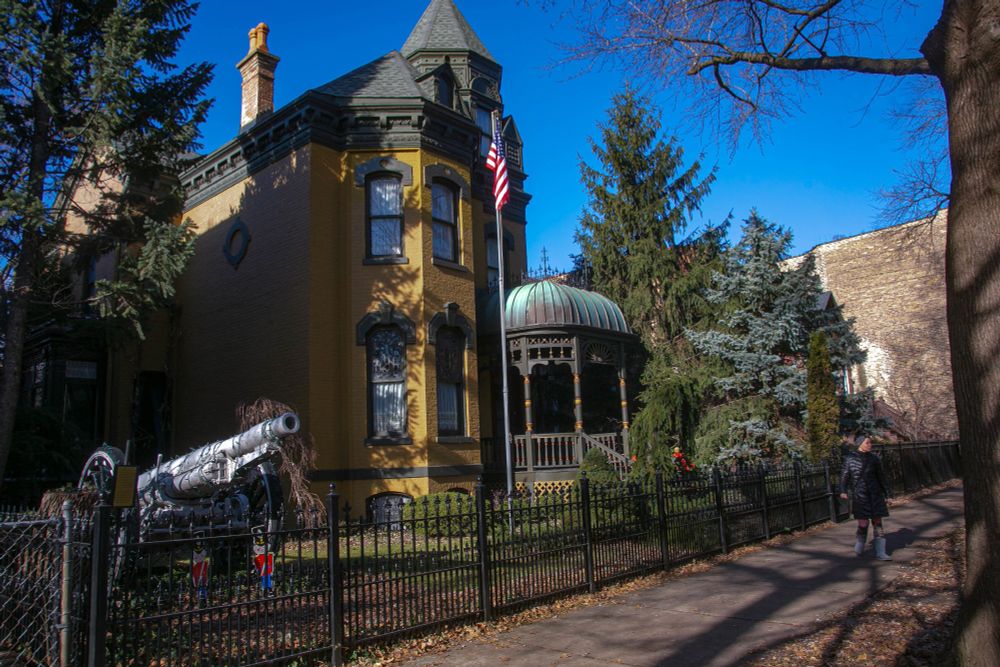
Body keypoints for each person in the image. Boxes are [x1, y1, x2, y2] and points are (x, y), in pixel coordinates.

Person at [839, 435, 892, 560]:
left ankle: (881, 553)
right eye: (867, 442)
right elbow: (844, 476)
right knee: (863, 523)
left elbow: (881, 477)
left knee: (877, 522)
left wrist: (888, 494)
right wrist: (842, 490)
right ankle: (860, 542)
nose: (870, 445)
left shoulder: (874, 458)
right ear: (860, 444)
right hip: (860, 495)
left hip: (875, 494)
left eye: (870, 442)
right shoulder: (850, 458)